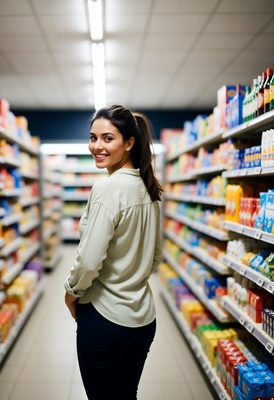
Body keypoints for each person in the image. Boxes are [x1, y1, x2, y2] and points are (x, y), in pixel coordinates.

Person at [64, 104, 163, 400]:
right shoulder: (151, 188)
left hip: (105, 318)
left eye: (108, 138)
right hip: (143, 318)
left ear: (129, 143)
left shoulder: (108, 188)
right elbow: (155, 257)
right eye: (93, 138)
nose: (97, 146)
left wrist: (72, 291)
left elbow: (90, 259)